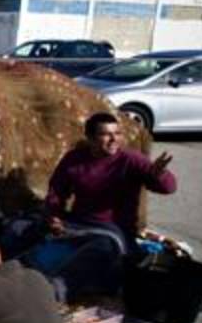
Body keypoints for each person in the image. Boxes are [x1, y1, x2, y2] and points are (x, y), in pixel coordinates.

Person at [12, 111, 177, 300]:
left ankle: (53, 291)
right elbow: (56, 193)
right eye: (106, 134)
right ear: (90, 138)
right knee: (18, 227)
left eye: (117, 133)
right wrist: (54, 217)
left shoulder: (131, 160)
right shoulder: (74, 158)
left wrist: (159, 175)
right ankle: (6, 272)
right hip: (77, 224)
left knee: (99, 250)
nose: (114, 139)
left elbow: (168, 188)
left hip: (113, 232)